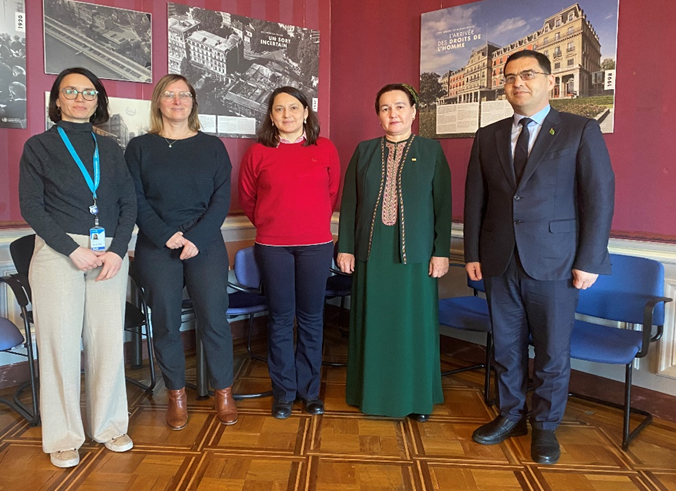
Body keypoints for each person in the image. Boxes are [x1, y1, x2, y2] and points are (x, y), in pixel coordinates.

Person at [464, 49, 614, 464]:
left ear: (549, 81)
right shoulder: (488, 136)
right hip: (499, 260)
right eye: (510, 77)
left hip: (556, 262)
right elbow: (475, 199)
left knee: (551, 351)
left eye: (528, 75)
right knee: (506, 347)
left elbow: (599, 198)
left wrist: (590, 260)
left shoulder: (579, 130)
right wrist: (473, 251)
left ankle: (545, 426)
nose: (518, 83)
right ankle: (511, 415)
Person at [19, 67, 137, 469]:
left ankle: (109, 425)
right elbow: (31, 207)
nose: (80, 98)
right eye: (71, 91)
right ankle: (64, 436)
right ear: (57, 100)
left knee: (108, 343)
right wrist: (72, 249)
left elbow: (128, 204)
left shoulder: (112, 148)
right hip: (59, 253)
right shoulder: (39, 147)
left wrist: (118, 251)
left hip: (109, 255)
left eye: (89, 92)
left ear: (97, 100)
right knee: (60, 347)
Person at [125, 74, 236, 430]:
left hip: (205, 243)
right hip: (157, 245)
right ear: (158, 101)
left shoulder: (213, 147)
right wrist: (165, 235)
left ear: (193, 102)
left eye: (184, 95)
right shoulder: (139, 147)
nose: (177, 101)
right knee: (166, 323)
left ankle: (224, 392)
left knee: (215, 319)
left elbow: (221, 200)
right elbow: (134, 199)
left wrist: (195, 238)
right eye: (170, 95)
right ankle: (176, 395)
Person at [337, 83, 452, 421]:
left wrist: (441, 251)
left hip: (416, 255)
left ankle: (415, 397)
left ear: (414, 112)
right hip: (371, 253)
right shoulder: (364, 151)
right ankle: (369, 394)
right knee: (374, 324)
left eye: (400, 106)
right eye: (385, 108)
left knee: (411, 326)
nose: (393, 114)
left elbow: (443, 206)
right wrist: (346, 248)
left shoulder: (431, 151)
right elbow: (350, 203)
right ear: (378, 116)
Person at [239, 86, 340, 420]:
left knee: (311, 318)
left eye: (294, 108)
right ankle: (283, 393)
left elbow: (332, 193)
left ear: (306, 112)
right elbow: (248, 199)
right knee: (281, 319)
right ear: (271, 116)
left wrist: (310, 223)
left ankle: (309, 392)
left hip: (316, 245)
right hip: (273, 247)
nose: (287, 114)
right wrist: (272, 224)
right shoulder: (258, 153)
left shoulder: (325, 148)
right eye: (279, 109)